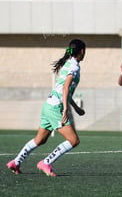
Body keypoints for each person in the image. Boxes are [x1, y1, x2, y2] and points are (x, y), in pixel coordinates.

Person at [6, 39, 86, 176]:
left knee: (40, 139)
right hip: (56, 108)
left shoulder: (69, 63)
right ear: (82, 52)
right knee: (73, 140)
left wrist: (75, 107)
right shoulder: (74, 66)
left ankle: (16, 162)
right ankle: (46, 162)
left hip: (48, 105)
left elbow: (64, 89)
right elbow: (66, 87)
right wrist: (66, 109)